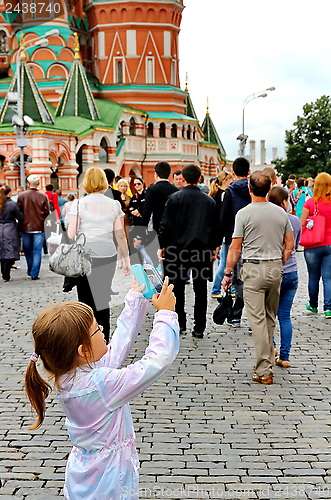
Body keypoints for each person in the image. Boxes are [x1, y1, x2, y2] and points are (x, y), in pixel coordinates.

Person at [25, 276, 179, 500]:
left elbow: (114, 352)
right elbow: (155, 362)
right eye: (96, 329)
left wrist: (136, 298)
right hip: (110, 479)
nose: (102, 328)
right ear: (83, 350)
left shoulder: (68, 375)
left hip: (83, 474)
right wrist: (165, 315)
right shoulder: (101, 384)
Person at [222, 171, 294, 385]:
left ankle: (264, 370)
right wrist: (279, 260)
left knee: (257, 321)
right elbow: (290, 244)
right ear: (270, 188)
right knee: (270, 316)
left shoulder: (243, 214)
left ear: (250, 189)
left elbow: (235, 248)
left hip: (253, 269)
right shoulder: (281, 213)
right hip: (275, 268)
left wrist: (227, 273)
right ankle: (267, 360)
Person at [68, 167, 130, 342]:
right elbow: (119, 235)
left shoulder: (78, 204)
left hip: (84, 256)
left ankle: (87, 340)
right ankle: (104, 341)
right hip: (107, 255)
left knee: (85, 301)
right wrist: (125, 258)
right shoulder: (114, 204)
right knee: (102, 300)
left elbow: (72, 234)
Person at [159, 164, 220, 338]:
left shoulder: (174, 198)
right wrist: (214, 247)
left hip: (176, 249)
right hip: (201, 250)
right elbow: (216, 228)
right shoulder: (209, 201)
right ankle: (199, 327)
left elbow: (165, 225)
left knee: (177, 288)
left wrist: (162, 246)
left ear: (183, 179)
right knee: (200, 289)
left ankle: (180, 323)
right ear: (199, 179)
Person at [268, 186, 301, 367]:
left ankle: (272, 347)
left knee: (268, 314)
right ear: (284, 201)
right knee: (285, 316)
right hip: (291, 272)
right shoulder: (295, 220)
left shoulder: (268, 220)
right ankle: (285, 357)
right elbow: (295, 245)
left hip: (273, 272)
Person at [219, 157, 251, 327]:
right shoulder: (256, 190)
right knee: (252, 278)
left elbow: (224, 219)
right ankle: (240, 314)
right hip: (254, 240)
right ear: (249, 171)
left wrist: (222, 240)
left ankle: (237, 315)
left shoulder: (229, 192)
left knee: (236, 279)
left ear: (232, 172)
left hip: (234, 239)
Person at [301, 172, 331, 319]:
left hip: (312, 245)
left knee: (313, 276)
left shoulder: (310, 203)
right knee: (328, 278)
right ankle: (328, 309)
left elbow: (301, 223)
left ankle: (313, 305)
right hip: (330, 244)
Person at [17, 175, 49, 280]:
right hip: (39, 226)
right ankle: (35, 273)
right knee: (37, 250)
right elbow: (47, 212)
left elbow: (19, 211)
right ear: (38, 183)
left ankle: (31, 268)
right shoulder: (43, 196)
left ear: (28, 183)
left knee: (27, 250)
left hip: (25, 226)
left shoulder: (21, 196)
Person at [209, 171, 234, 298]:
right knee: (225, 263)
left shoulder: (215, 194)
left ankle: (225, 288)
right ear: (225, 181)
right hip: (224, 233)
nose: (231, 182)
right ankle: (216, 289)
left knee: (225, 262)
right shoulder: (224, 194)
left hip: (219, 232)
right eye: (230, 180)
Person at [140, 161, 179, 234]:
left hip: (156, 228)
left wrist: (140, 233)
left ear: (156, 174)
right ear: (169, 174)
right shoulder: (176, 190)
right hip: (172, 230)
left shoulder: (151, 189)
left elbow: (146, 212)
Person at [0, 185, 23, 281]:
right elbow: (20, 217)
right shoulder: (12, 204)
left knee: (1, 250)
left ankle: (3, 272)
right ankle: (6, 273)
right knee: (8, 250)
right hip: (9, 227)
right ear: (9, 193)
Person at [116, 178, 131, 268]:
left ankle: (126, 260)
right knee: (119, 239)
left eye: (125, 186)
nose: (123, 188)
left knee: (127, 239)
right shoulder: (116, 197)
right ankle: (119, 261)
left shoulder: (129, 197)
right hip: (118, 219)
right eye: (121, 186)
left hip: (127, 219)